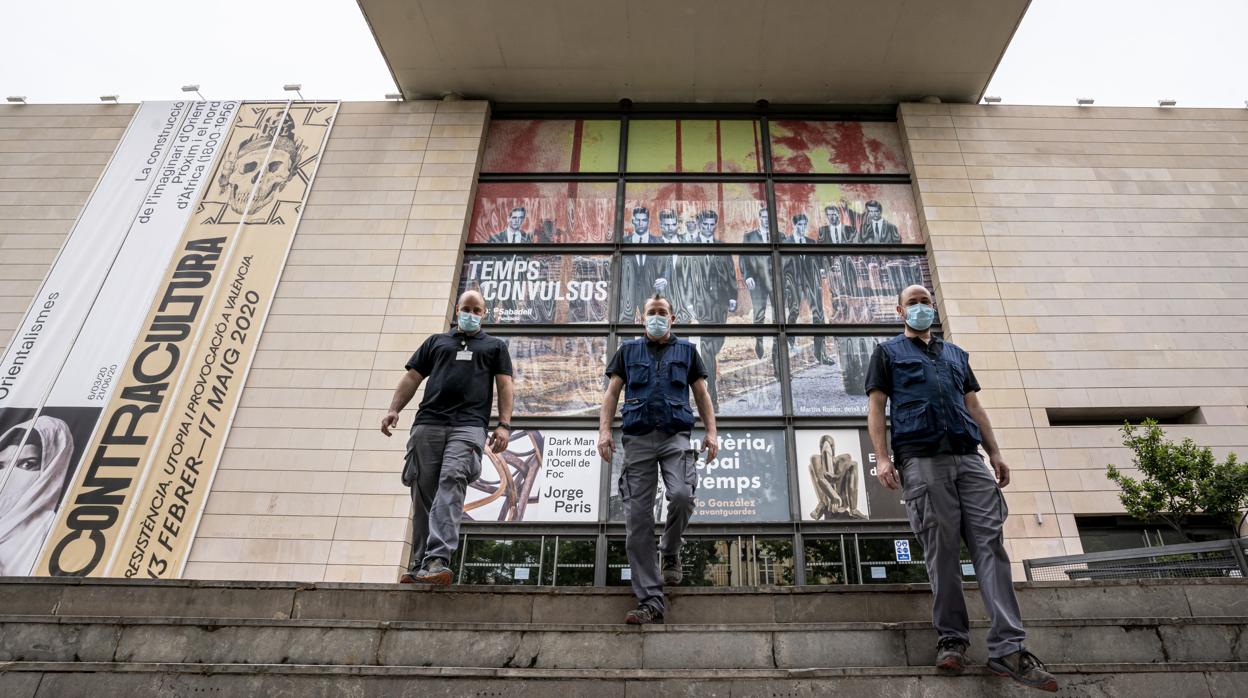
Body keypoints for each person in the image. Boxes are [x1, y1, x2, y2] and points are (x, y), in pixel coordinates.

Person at [865, 284, 1057, 693]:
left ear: (934, 309)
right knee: (943, 550)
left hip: (969, 458)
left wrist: (995, 452)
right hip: (921, 459)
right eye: (912, 303)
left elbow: (974, 406)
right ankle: (952, 638)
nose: (920, 308)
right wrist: (882, 458)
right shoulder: (887, 354)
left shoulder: (956, 355)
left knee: (991, 546)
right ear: (900, 311)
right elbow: (877, 407)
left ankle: (1009, 648)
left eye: (925, 302)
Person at [598, 293, 719, 624]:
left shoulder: (688, 352)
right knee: (637, 520)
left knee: (681, 494)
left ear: (672, 318)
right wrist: (605, 432)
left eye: (662, 312)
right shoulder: (627, 352)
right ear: (642, 317)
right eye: (651, 312)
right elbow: (610, 395)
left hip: (675, 437)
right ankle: (650, 600)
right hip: (636, 440)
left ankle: (670, 550)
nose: (656, 317)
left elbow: (702, 395)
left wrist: (712, 432)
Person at [382, 290, 515, 585]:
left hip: (468, 426)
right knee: (424, 493)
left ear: (484, 314)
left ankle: (438, 557)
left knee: (452, 481)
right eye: (466, 308)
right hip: (428, 424)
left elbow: (505, 386)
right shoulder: (435, 342)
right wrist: (393, 409)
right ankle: (419, 562)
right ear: (457, 310)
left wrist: (504, 425)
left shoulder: (494, 346)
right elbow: (412, 378)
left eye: (477, 310)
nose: (471, 313)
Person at [0, 415, 74, 576]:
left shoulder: (61, 532)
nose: (7, 474)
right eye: (1, 465)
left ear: (51, 469)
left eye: (27, 464)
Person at [783, 214, 833, 364]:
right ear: (794, 225)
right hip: (794, 283)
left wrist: (822, 269)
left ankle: (822, 354)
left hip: (811, 282)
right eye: (799, 225)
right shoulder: (786, 242)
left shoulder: (811, 242)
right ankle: (790, 344)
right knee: (793, 311)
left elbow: (820, 260)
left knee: (818, 315)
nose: (802, 227)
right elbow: (782, 265)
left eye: (804, 224)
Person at [740, 207, 774, 358]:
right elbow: (743, 258)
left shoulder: (778, 235)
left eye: (769, 217)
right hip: (757, 281)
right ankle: (759, 341)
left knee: (777, 313)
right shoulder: (749, 237)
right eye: (764, 217)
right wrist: (747, 276)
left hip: (775, 281)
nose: (766, 220)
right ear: (760, 218)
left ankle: (778, 345)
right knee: (759, 312)